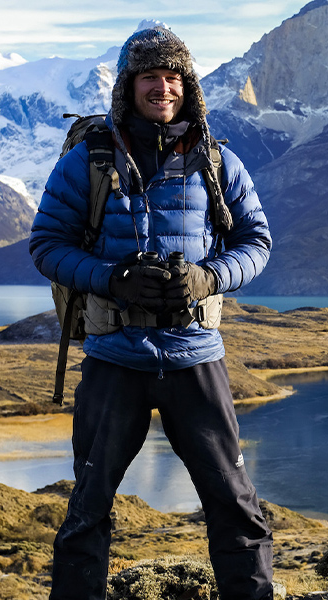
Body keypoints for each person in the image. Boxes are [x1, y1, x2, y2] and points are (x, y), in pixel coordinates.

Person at [29, 25, 274, 600]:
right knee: (89, 507)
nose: (162, 88)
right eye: (150, 77)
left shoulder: (218, 161)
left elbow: (256, 242)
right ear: (128, 86)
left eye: (173, 77)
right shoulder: (87, 162)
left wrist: (207, 276)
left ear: (187, 86)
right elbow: (47, 246)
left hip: (194, 357)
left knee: (234, 503)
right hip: (115, 357)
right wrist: (114, 279)